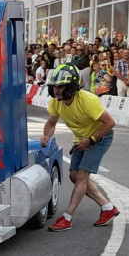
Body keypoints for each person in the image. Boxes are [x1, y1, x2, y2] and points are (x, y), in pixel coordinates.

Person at [40, 64, 119, 232]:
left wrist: (91, 139)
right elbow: (51, 123)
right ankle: (107, 208)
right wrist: (47, 135)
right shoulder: (56, 102)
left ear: (72, 86)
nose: (57, 91)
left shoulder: (88, 100)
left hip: (100, 136)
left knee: (82, 175)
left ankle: (67, 217)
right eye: (54, 87)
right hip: (81, 139)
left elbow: (110, 123)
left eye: (61, 86)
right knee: (74, 176)